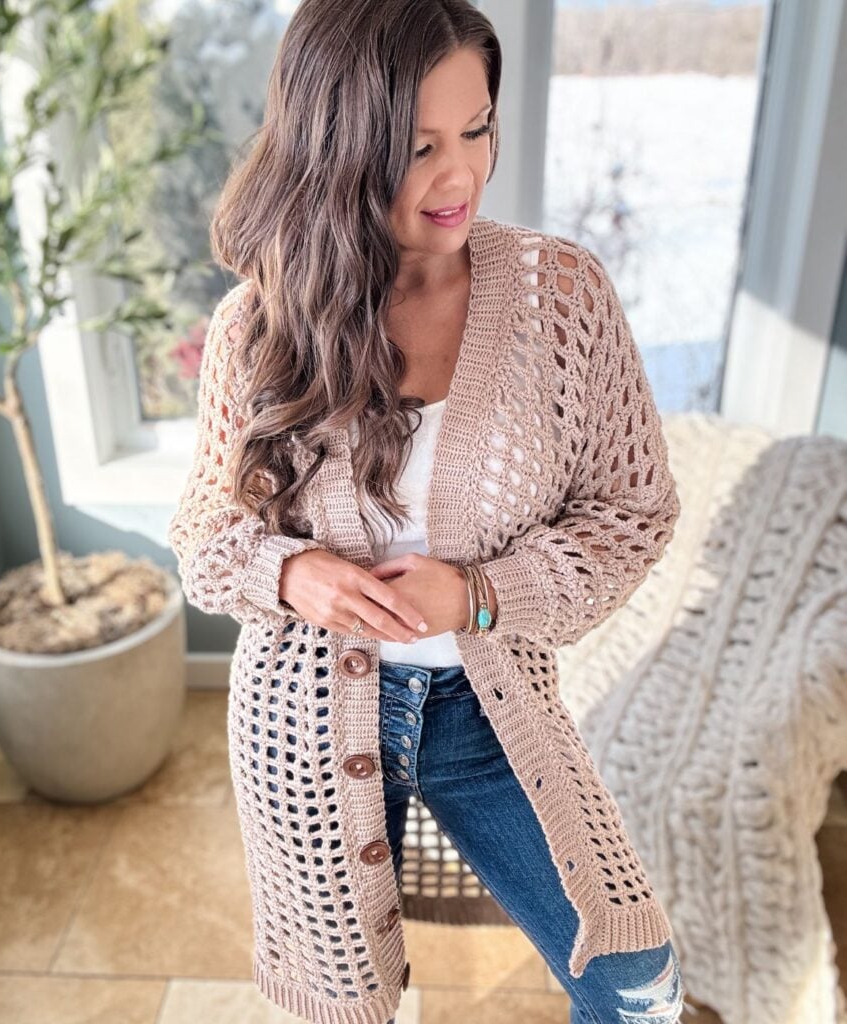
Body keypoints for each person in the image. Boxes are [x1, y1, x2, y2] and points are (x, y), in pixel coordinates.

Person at [167, 2, 686, 1022]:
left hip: (486, 716)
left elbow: (631, 511)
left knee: (639, 985)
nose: (459, 177)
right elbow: (201, 535)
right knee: (351, 1006)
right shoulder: (261, 323)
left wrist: (481, 594)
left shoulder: (562, 299)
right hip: (305, 716)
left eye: (477, 131)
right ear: (338, 146)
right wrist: (291, 572)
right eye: (417, 149)